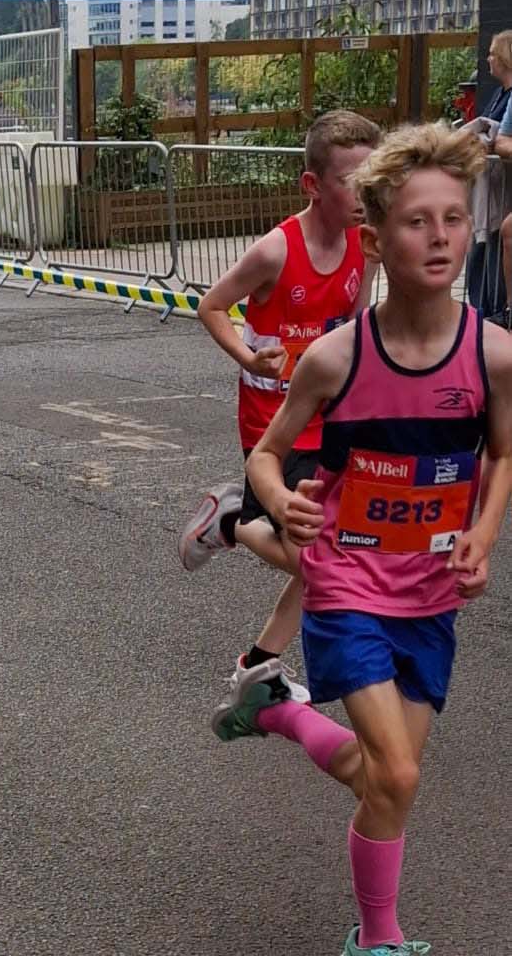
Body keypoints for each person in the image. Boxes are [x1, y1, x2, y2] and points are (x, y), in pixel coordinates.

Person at [217, 122, 512, 956]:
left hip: (429, 596)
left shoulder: (492, 356)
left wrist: (481, 535)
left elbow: (503, 451)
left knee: (384, 782)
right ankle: (375, 941)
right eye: (419, 222)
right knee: (401, 774)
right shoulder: (336, 360)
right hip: (345, 584)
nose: (441, 237)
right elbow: (269, 456)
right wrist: (284, 502)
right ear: (377, 241)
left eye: (454, 218)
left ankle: (275, 712)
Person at [178, 110, 380, 706]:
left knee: (335, 550)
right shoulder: (275, 251)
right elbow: (213, 306)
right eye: (352, 181)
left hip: (333, 418)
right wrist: (248, 354)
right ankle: (233, 521)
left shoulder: (361, 246)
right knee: (319, 552)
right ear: (313, 186)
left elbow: (357, 326)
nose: (365, 195)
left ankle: (259, 665)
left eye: (375, 182)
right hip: (275, 431)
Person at [462, 29, 512, 314]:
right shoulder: (499, 94)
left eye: (492, 53)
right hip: (487, 189)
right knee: (481, 248)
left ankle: (493, 312)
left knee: (492, 246)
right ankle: (482, 311)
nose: (488, 59)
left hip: (498, 192)